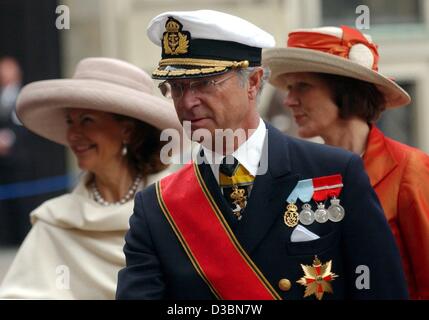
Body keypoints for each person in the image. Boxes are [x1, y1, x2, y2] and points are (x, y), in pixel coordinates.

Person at [116, 10, 407, 300]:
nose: (188, 101)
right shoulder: (156, 206)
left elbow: (381, 289)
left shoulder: (337, 172)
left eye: (205, 83)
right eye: (177, 88)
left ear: (253, 82)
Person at [263, 25, 429, 299]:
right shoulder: (301, 177)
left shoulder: (410, 168)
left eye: (302, 86)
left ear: (345, 89)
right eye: (289, 88)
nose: (289, 100)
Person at [0, 57, 180, 299]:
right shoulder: (55, 221)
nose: (73, 134)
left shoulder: (175, 208)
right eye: (70, 122)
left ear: (127, 130)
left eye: (87, 120)